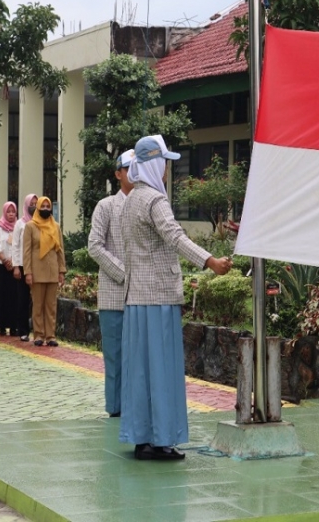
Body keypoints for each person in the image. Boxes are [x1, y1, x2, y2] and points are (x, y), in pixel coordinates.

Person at [119, 135, 232, 460]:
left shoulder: (130, 199)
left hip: (136, 298)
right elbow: (175, 237)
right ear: (154, 165)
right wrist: (210, 261)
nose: (167, 170)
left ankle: (142, 439)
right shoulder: (155, 200)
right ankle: (162, 439)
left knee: (140, 370)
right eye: (165, 163)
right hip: (158, 298)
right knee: (162, 368)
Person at [87, 150, 135, 418]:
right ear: (118, 174)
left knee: (138, 356)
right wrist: (124, 273)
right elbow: (94, 246)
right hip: (114, 293)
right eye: (128, 169)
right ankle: (115, 408)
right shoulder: (105, 206)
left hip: (142, 294)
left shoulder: (148, 203)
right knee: (115, 354)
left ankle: (136, 405)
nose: (134, 173)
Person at [23, 196, 66, 347]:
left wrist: (62, 270)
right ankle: (39, 335)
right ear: (38, 208)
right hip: (37, 271)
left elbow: (60, 250)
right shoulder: (30, 226)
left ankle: (51, 336)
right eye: (43, 206)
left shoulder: (56, 226)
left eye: (48, 207)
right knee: (38, 305)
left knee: (51, 306)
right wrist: (28, 272)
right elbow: (26, 251)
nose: (46, 209)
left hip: (52, 270)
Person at [0, 201, 19, 336]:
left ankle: (13, 326)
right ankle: (1, 325)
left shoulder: (18, 227)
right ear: (4, 212)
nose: (11, 214)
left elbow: (19, 245)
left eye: (13, 211)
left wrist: (13, 260)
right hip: (0, 266)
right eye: (9, 211)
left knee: (13, 297)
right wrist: (5, 260)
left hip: (14, 266)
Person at [11, 194, 37, 341]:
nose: (34, 207)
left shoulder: (40, 222)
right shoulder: (20, 224)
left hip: (37, 266)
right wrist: (15, 266)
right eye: (31, 204)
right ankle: (23, 330)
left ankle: (38, 331)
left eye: (36, 204)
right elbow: (15, 245)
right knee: (23, 299)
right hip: (22, 265)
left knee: (37, 300)